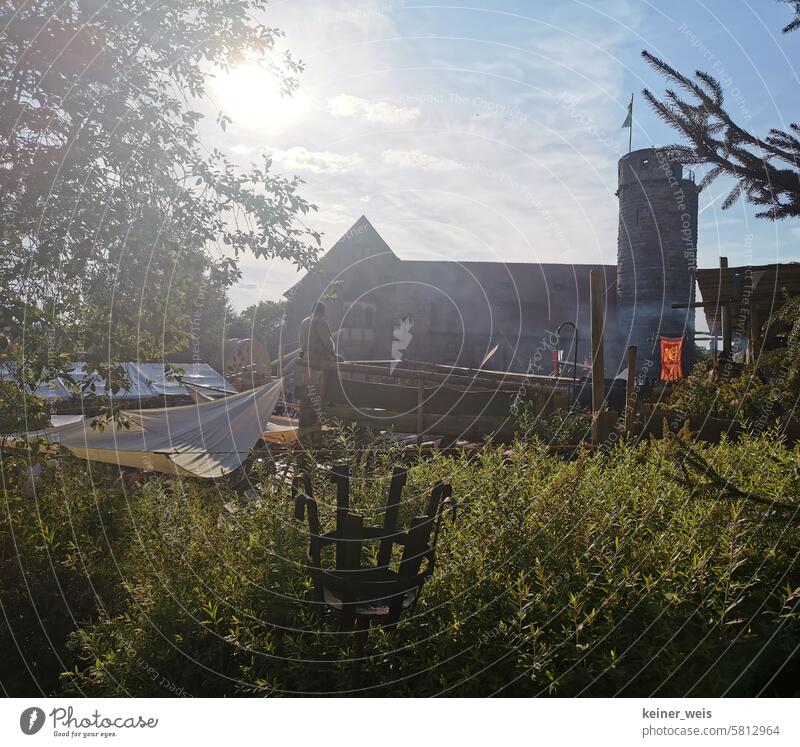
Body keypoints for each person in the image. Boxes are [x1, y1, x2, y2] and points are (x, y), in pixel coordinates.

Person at [297, 302, 336, 432]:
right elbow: (327, 343)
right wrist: (333, 353)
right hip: (317, 359)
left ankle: (304, 420)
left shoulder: (304, 322)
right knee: (336, 367)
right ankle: (331, 400)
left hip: (305, 358)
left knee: (307, 388)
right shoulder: (320, 322)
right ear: (322, 312)